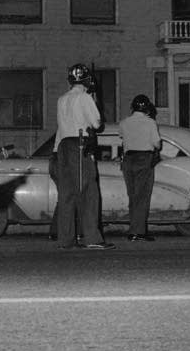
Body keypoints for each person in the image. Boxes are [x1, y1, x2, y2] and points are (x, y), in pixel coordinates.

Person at [52, 63, 115, 250]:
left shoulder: (61, 99)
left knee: (67, 194)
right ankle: (92, 239)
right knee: (89, 193)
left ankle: (66, 240)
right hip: (79, 145)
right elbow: (96, 124)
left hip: (63, 146)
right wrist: (95, 101)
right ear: (87, 79)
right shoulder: (85, 97)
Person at [119, 94, 162, 241]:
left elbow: (122, 138)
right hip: (144, 159)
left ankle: (133, 228)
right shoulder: (150, 123)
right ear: (147, 108)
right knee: (142, 197)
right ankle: (138, 232)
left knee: (132, 196)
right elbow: (157, 144)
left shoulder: (124, 122)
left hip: (128, 160)